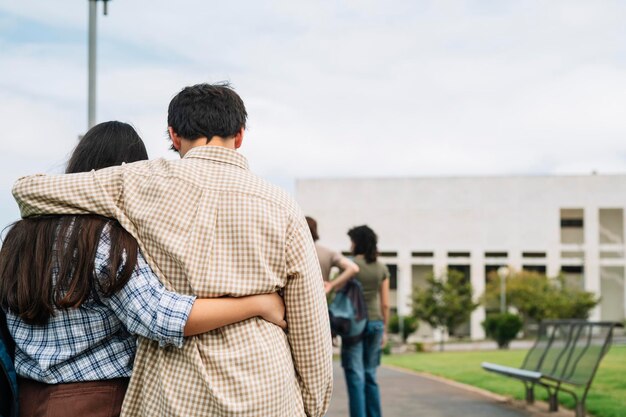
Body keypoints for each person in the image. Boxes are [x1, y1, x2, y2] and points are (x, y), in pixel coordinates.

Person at [12, 83, 333, 417]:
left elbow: (28, 190)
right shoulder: (282, 205)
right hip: (268, 387)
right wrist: (310, 403)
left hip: (176, 390)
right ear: (239, 136)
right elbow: (310, 321)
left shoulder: (138, 182)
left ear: (174, 135)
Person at [342, 225, 390, 417]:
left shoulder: (350, 265)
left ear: (357, 242)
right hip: (375, 324)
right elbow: (385, 303)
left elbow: (340, 294)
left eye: (352, 241)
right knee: (370, 374)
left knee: (355, 376)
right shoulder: (381, 267)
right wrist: (384, 330)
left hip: (354, 325)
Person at [305, 216, 359, 294]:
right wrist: (331, 284)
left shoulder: (289, 251)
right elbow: (353, 268)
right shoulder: (327, 253)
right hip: (320, 300)